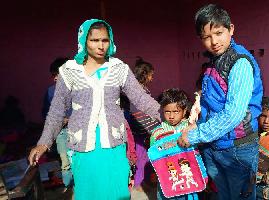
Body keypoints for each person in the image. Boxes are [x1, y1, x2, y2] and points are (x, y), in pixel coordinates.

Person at [28, 19, 160, 200]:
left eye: (105, 40)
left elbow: (140, 98)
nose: (101, 45)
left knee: (118, 192)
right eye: (94, 40)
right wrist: (44, 142)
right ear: (83, 41)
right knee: (88, 192)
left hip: (113, 144)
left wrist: (165, 114)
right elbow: (57, 111)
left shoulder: (118, 68)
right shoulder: (69, 70)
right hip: (83, 146)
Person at [177, 4, 263, 199]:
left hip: (237, 149)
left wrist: (195, 135)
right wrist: (195, 126)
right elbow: (210, 104)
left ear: (231, 29)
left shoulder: (239, 62)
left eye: (218, 33)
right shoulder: (214, 61)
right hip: (215, 144)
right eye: (206, 37)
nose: (214, 41)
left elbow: (233, 114)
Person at [149, 88, 197, 200]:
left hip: (188, 175)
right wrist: (154, 172)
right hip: (166, 177)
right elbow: (153, 155)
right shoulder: (157, 133)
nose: (171, 116)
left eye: (176, 111)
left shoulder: (190, 129)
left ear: (184, 111)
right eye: (167, 111)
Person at [42, 57, 73, 189]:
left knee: (80, 162)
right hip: (62, 133)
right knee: (65, 162)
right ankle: (69, 190)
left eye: (56, 74)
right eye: (53, 75)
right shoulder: (50, 91)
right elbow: (45, 113)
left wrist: (70, 118)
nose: (54, 78)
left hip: (81, 132)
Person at [129, 57, 160, 191]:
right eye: (151, 75)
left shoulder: (139, 88)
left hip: (140, 129)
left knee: (142, 156)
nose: (152, 78)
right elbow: (137, 111)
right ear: (145, 74)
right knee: (141, 157)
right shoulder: (138, 91)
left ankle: (143, 180)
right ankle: (139, 183)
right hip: (140, 130)